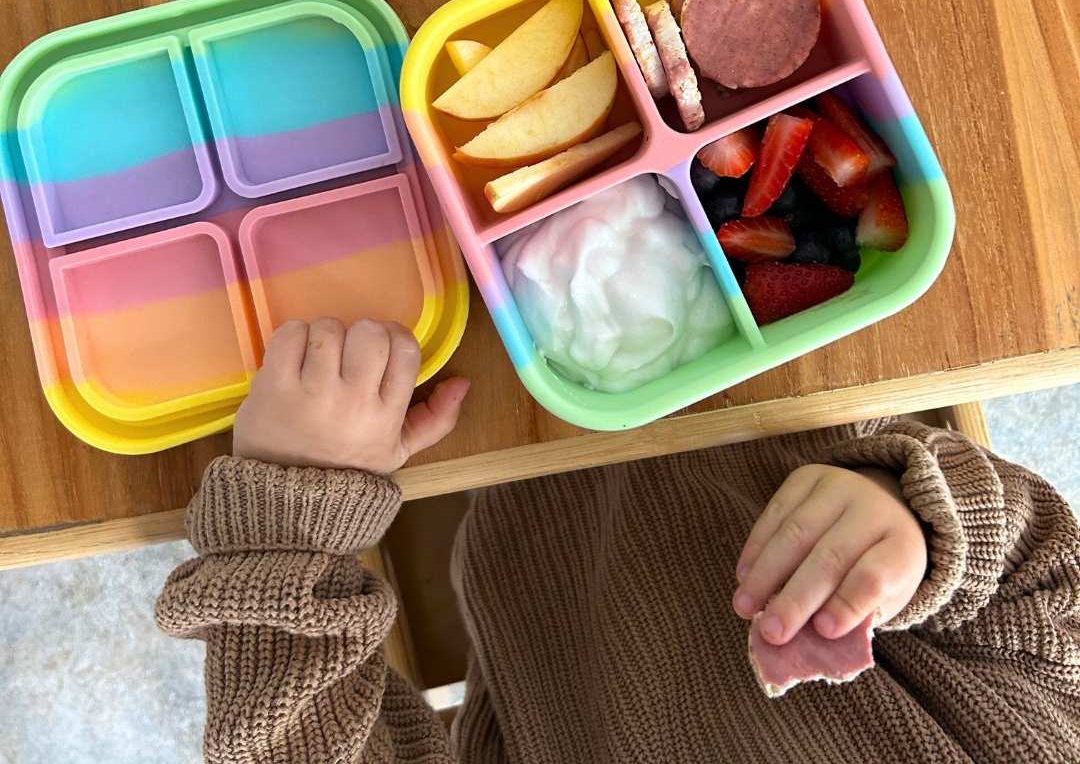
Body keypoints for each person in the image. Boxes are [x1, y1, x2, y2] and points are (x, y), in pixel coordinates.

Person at [156, 317, 1080, 763]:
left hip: (505, 447)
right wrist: (919, 521)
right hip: (781, 359)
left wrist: (292, 520)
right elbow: (1053, 592)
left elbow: (291, 750)